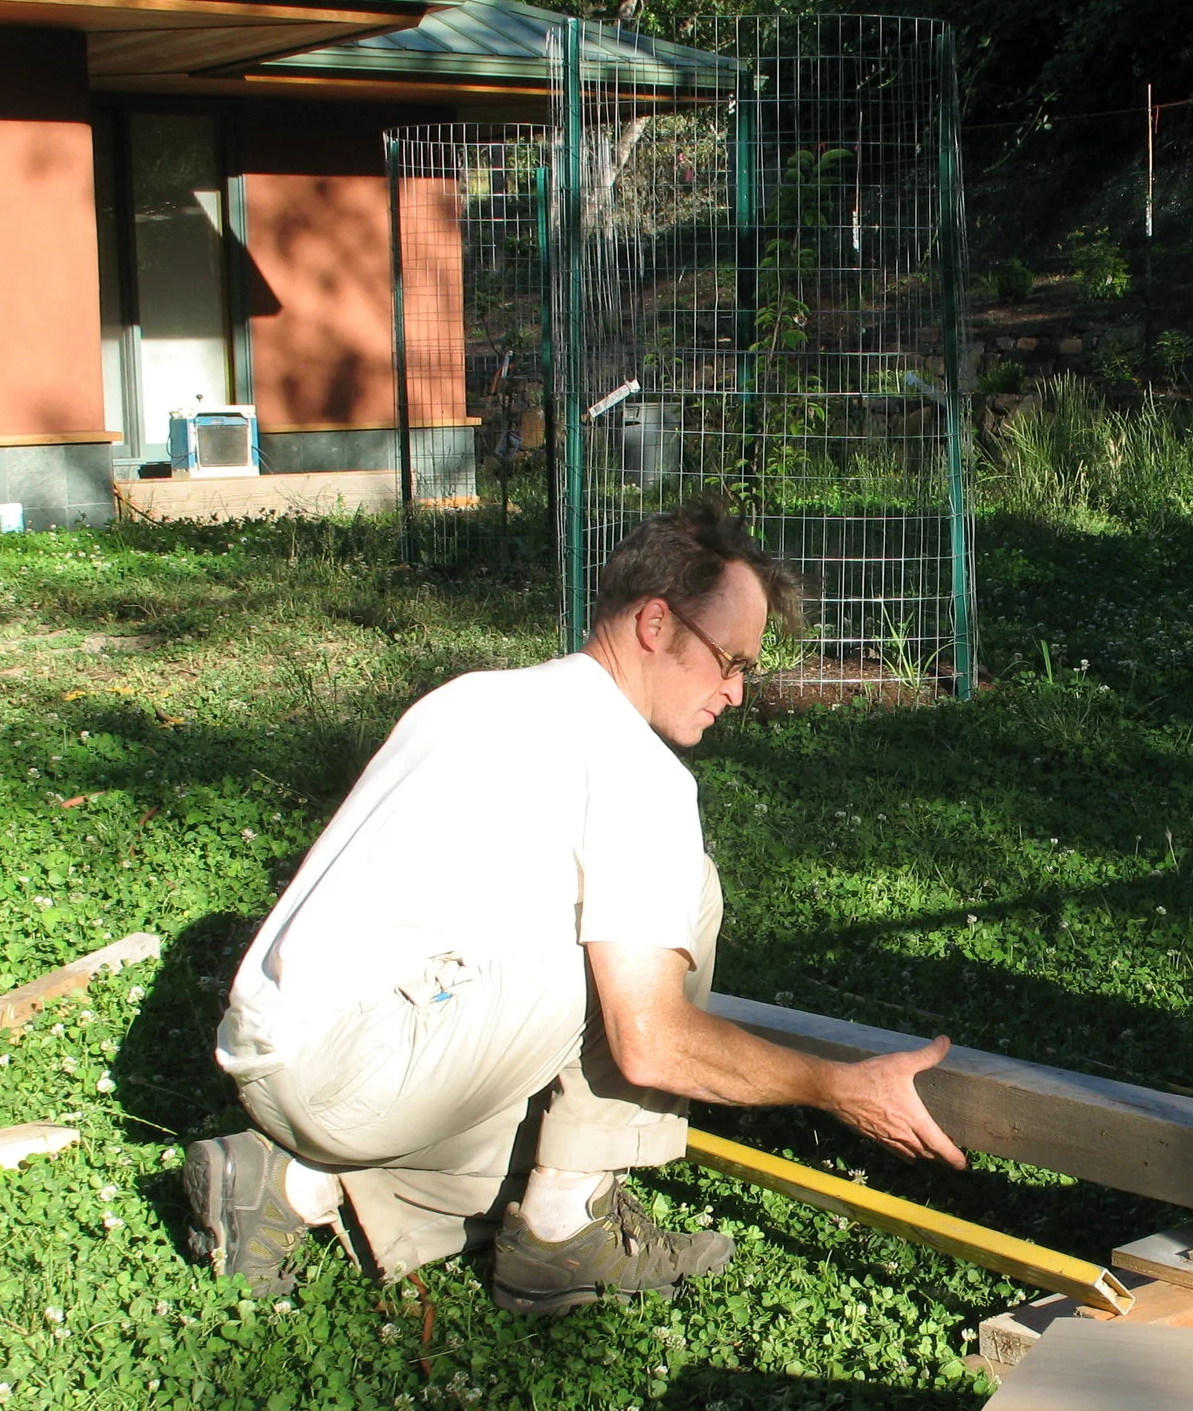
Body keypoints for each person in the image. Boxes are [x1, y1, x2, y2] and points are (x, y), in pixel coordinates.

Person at [197, 499, 965, 1312]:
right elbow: (654, 1047)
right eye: (728, 660)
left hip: (275, 1055)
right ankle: (566, 1228)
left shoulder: (477, 696)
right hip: (361, 1073)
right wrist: (837, 1088)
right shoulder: (637, 770)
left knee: (528, 1132)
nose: (737, 693)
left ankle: (292, 1182)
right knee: (674, 907)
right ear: (655, 622)